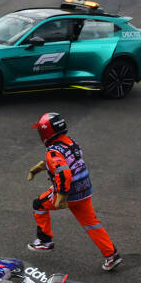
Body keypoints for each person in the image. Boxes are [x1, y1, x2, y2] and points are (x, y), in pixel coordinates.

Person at [26, 112, 122, 271]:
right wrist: (39, 168)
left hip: (69, 193)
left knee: (39, 205)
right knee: (91, 223)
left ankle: (45, 241)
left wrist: (61, 197)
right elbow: (66, 161)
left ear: (46, 133)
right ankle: (112, 255)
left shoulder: (53, 152)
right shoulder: (71, 142)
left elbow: (63, 173)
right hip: (85, 190)